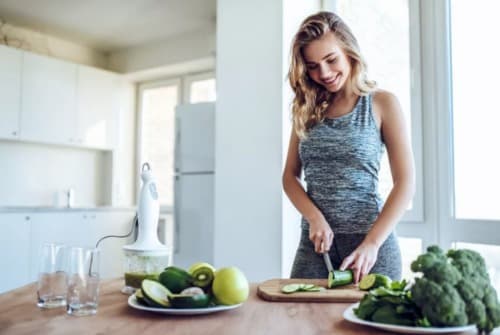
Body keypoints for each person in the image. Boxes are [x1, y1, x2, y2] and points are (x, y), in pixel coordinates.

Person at [283, 11, 415, 283]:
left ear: (349, 52)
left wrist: (372, 244)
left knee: (368, 325)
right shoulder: (305, 110)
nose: (324, 73)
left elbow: (406, 182)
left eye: (331, 60)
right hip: (316, 247)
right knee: (300, 323)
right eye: (313, 66)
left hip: (371, 246)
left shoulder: (382, 104)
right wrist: (314, 217)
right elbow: (290, 177)